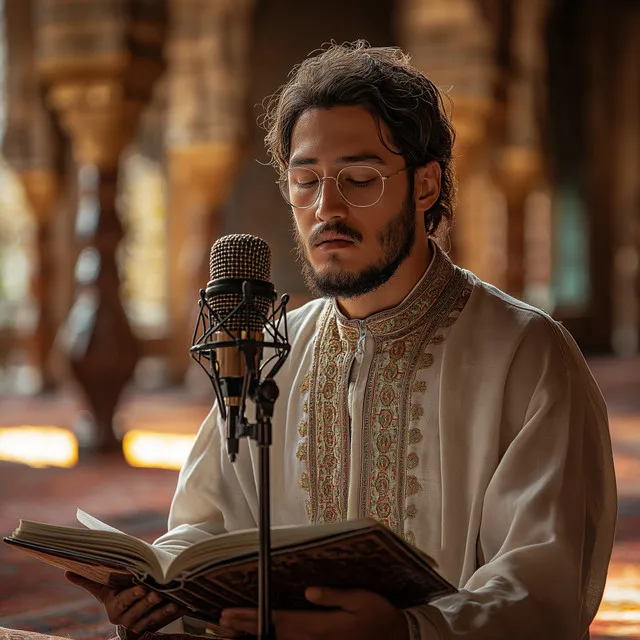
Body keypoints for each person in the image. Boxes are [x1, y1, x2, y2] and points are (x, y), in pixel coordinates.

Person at [67, 41, 617, 640]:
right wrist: (159, 589)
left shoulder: (526, 355)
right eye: (306, 182)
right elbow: (208, 525)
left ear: (426, 185)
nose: (326, 207)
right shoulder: (273, 352)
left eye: (359, 179)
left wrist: (410, 631)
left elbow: (543, 581)